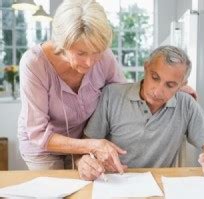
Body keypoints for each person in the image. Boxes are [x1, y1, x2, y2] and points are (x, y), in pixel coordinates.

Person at [76, 45, 204, 180]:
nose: (158, 91)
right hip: (113, 183)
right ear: (146, 67)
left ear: (182, 85)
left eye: (170, 85)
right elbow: (84, 147)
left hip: (160, 188)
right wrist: (83, 162)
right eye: (155, 77)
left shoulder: (187, 105)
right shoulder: (112, 95)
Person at [18, 0, 127, 171]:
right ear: (62, 44)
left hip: (86, 140)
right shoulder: (34, 64)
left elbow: (122, 94)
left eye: (96, 52)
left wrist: (170, 89)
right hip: (43, 146)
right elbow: (38, 133)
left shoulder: (105, 57)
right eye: (81, 53)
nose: (90, 62)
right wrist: (92, 146)